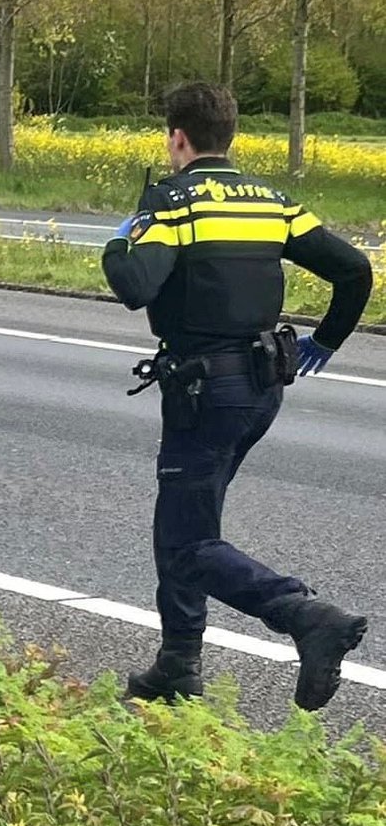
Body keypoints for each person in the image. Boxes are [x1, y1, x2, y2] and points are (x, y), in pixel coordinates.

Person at [103, 80, 373, 711]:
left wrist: (123, 237)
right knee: (191, 520)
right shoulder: (270, 199)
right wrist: (324, 344)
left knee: (186, 540)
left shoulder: (175, 202)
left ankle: (305, 616)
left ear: (177, 137)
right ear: (230, 136)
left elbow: (135, 285)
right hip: (263, 383)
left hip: (204, 388)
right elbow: (354, 269)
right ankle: (178, 661)